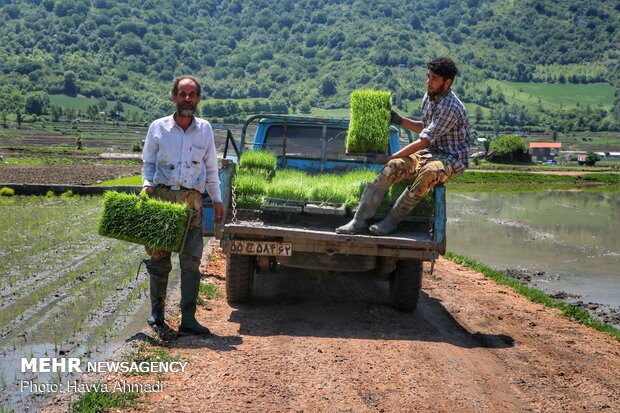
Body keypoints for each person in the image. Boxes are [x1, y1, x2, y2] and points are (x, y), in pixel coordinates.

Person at [336, 56, 471, 236]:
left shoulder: (451, 107)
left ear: (447, 83)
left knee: (429, 172)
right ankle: (359, 220)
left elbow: (424, 140)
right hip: (429, 152)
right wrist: (400, 120)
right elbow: (426, 128)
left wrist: (390, 155)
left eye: (434, 79)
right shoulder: (430, 97)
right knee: (393, 167)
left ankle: (391, 221)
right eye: (428, 76)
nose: (428, 82)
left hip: (451, 159)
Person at [141, 75, 225, 335]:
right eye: (182, 94)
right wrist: (146, 184)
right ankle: (157, 314)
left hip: (192, 203)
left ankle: (188, 318)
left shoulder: (205, 129)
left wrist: (218, 199)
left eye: (192, 94)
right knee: (159, 258)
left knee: (191, 262)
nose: (187, 99)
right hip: (163, 199)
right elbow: (149, 164)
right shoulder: (158, 128)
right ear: (173, 97)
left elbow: (211, 168)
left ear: (198, 99)